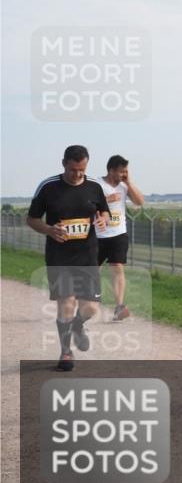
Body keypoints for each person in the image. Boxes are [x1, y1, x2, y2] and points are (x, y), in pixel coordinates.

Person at [26, 145, 111, 372]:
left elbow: (104, 211)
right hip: (59, 257)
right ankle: (65, 352)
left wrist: (103, 219)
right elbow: (32, 219)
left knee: (91, 308)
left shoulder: (94, 187)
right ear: (64, 163)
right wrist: (48, 229)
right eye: (73, 169)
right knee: (66, 303)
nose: (77, 174)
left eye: (82, 169)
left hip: (87, 256)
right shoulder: (48, 187)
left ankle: (77, 325)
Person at [96, 155, 145, 321]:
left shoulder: (124, 186)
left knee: (117, 268)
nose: (123, 174)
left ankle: (119, 307)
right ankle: (91, 301)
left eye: (126, 171)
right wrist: (107, 200)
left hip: (118, 234)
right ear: (111, 170)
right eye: (121, 172)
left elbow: (139, 202)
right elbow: (86, 204)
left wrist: (129, 182)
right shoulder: (97, 184)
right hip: (98, 235)